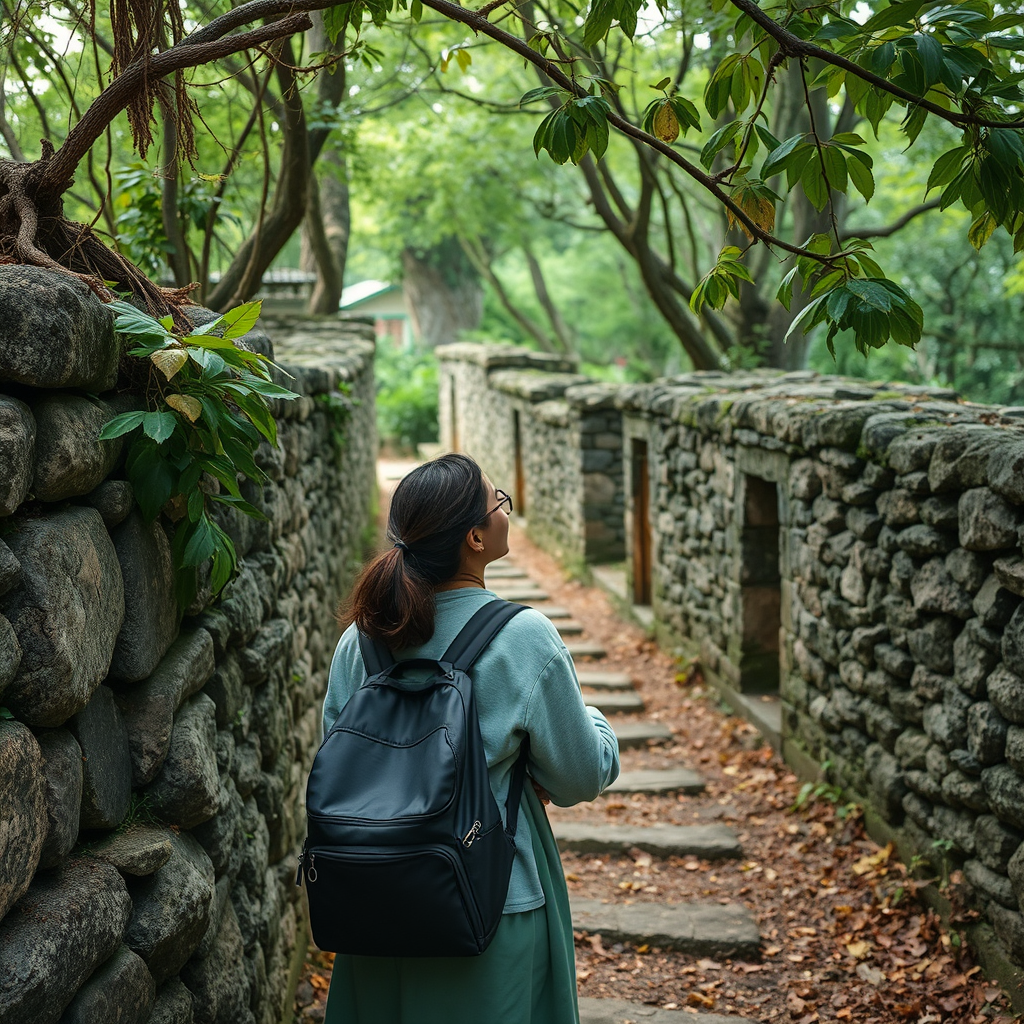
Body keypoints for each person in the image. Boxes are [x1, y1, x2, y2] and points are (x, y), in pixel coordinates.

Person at [320, 452, 620, 1024]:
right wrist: (596, 725)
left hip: (372, 905)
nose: (506, 510)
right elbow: (579, 774)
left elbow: (337, 758)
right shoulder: (523, 638)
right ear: (476, 538)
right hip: (489, 902)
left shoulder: (362, 640)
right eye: (497, 502)